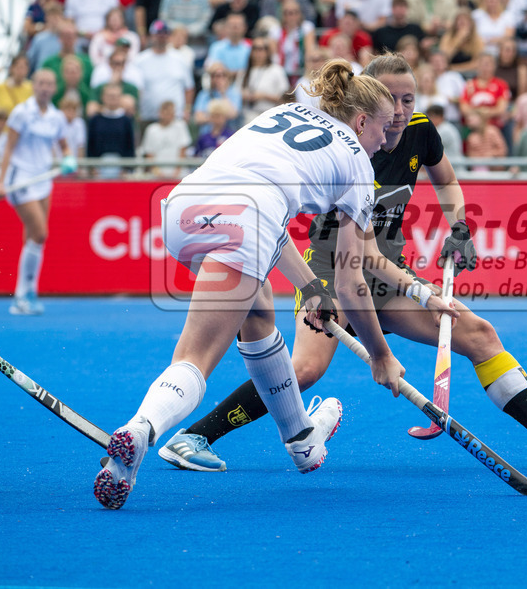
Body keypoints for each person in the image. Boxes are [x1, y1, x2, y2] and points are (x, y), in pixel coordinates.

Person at [156, 53, 527, 473]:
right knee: (305, 370)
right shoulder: (351, 146)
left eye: (408, 99)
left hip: (386, 275)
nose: (399, 111)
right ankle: (194, 436)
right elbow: (359, 259)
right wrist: (420, 294)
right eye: (391, 100)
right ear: (368, 105)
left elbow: (446, 180)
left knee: (479, 333)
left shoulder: (420, 131)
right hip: (331, 274)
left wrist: (459, 225)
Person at [93, 58, 452, 509]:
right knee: (195, 357)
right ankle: (140, 429)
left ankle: (301, 441)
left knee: (259, 311)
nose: (384, 139)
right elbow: (350, 281)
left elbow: (268, 221)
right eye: (381, 127)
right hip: (246, 220)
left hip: (183, 207)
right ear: (361, 121)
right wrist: (381, 356)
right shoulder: (360, 166)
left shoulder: (288, 112)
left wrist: (311, 287)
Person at [0, 70, 78, 315]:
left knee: (33, 238)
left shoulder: (56, 117)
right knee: (40, 233)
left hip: (43, 180)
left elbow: (63, 145)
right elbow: (8, 149)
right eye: (41, 83)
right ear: (34, 86)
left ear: (54, 88)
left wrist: (68, 157)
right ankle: (22, 295)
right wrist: (0, 182)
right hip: (20, 179)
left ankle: (26, 294)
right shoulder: (21, 113)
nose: (45, 88)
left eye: (49, 84)